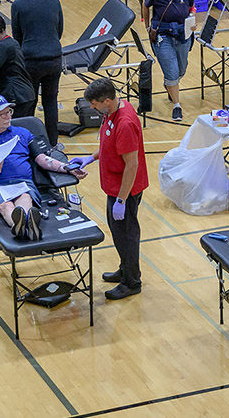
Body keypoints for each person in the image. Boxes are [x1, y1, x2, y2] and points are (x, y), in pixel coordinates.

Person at [0, 94, 88, 241]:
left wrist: (67, 167)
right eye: (1, 114)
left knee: (25, 198)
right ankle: (24, 225)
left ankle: (25, 223)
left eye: (9, 112)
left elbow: (42, 158)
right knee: (5, 206)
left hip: (22, 183)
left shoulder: (22, 133)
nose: (7, 117)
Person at [82, 78, 148, 300]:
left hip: (125, 190)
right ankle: (125, 268)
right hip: (114, 186)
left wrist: (121, 200)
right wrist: (90, 158)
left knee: (126, 235)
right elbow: (108, 144)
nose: (92, 107)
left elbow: (132, 164)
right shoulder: (111, 111)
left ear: (107, 101)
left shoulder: (125, 122)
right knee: (119, 233)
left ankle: (131, 282)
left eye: (94, 104)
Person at [12, 0, 64, 147]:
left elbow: (17, 37)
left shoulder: (18, 5)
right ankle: (53, 142)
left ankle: (29, 141)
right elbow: (59, 31)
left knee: (29, 101)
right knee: (50, 101)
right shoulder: (54, 0)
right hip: (54, 58)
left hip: (31, 60)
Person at [142, 0, 196, 122]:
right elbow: (145, 5)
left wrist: (192, 17)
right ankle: (176, 105)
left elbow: (192, 6)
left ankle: (170, 86)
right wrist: (146, 25)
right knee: (172, 72)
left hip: (183, 33)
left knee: (181, 69)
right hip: (163, 35)